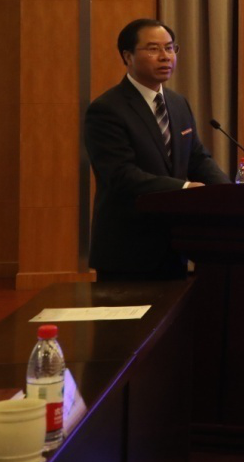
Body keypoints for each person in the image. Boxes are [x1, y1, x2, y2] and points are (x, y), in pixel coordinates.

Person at [85, 18, 230, 281]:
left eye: (170, 48)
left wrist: (228, 193)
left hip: (176, 244)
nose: (165, 56)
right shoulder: (107, 109)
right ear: (127, 56)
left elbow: (197, 158)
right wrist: (185, 188)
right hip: (128, 249)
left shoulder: (177, 103)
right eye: (153, 49)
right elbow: (121, 175)